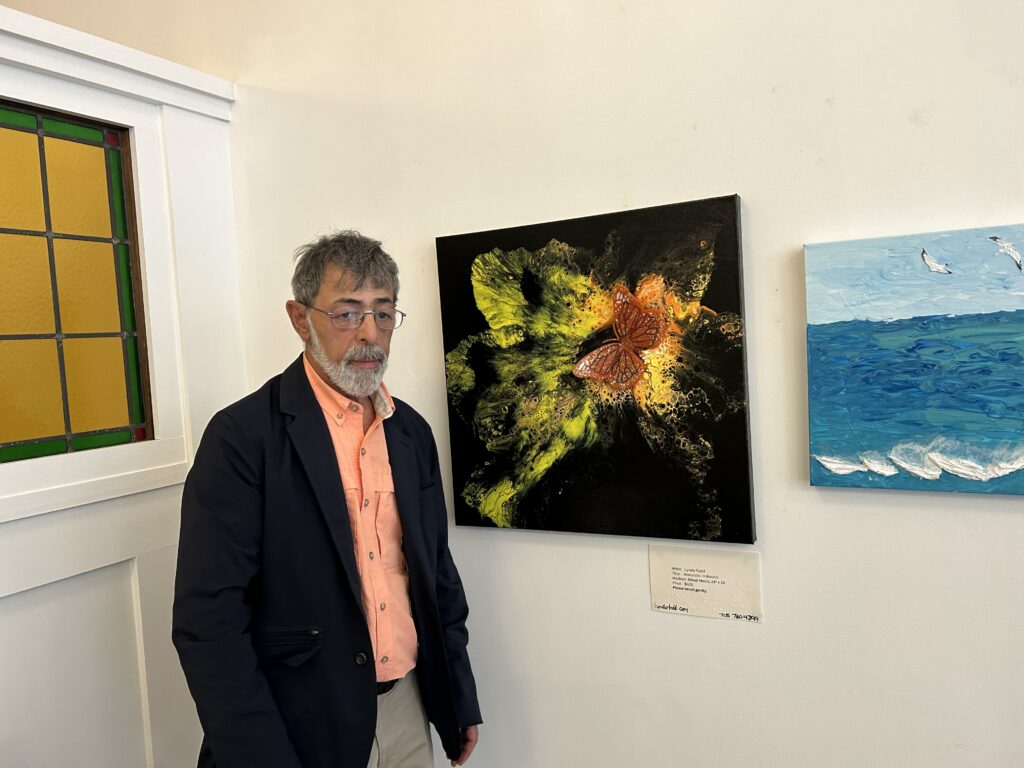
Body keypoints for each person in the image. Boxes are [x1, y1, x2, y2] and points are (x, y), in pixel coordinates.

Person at [172, 230, 481, 768]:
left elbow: (437, 577)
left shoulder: (410, 432)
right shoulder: (242, 437)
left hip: (408, 708)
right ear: (300, 318)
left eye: (384, 313)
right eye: (347, 313)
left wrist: (457, 694)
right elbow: (209, 622)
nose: (370, 333)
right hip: (296, 722)